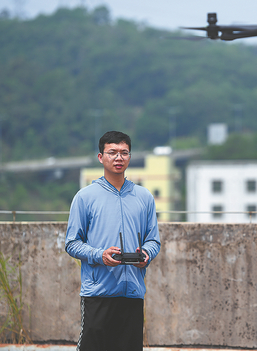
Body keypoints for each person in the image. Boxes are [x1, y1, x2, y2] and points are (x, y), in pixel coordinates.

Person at [65, 131, 161, 351]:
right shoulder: (85, 197)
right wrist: (100, 255)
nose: (119, 158)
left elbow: (154, 241)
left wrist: (145, 255)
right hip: (98, 293)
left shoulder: (144, 197)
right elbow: (71, 243)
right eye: (112, 152)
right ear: (101, 157)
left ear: (130, 157)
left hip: (132, 294)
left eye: (124, 153)